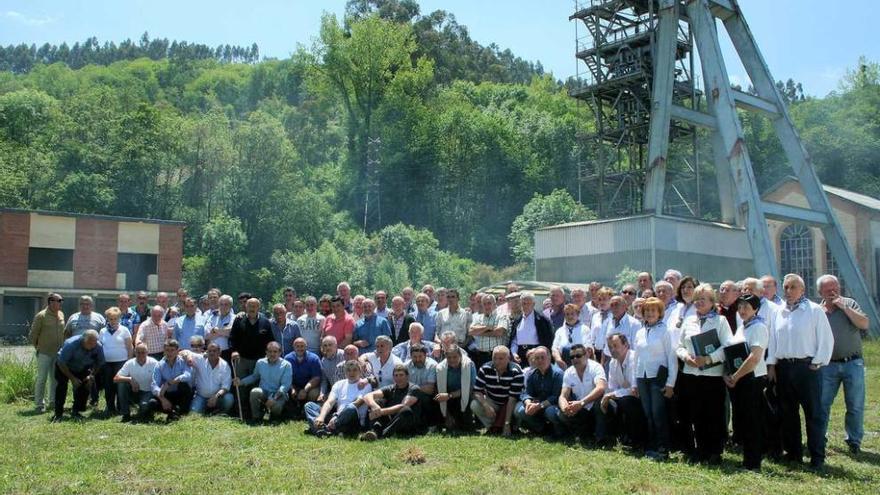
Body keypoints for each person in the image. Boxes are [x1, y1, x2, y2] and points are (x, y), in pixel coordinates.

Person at [766, 274, 834, 471]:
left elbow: (826, 338)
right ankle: (794, 454)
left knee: (813, 414)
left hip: (807, 368)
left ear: (802, 290)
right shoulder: (779, 312)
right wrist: (772, 365)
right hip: (784, 368)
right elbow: (773, 340)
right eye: (786, 287)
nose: (788, 291)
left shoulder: (813, 310)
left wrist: (818, 362)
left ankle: (817, 457)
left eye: (793, 287)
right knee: (788, 413)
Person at [675, 284, 732, 464]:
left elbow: (728, 346)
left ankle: (715, 451)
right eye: (697, 299)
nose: (699, 302)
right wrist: (686, 357)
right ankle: (699, 450)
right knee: (695, 413)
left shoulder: (720, 321)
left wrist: (709, 358)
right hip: (690, 373)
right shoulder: (688, 320)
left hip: (712, 375)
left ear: (712, 302)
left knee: (713, 414)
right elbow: (678, 346)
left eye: (703, 299)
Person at [817, 274, 868, 455]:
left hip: (852, 363)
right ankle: (819, 438)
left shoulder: (849, 303)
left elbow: (864, 323)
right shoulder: (817, 311)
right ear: (820, 292)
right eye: (828, 289)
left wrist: (844, 307)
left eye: (835, 288)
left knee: (854, 404)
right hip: (827, 365)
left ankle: (854, 440)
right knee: (822, 404)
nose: (833, 292)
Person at [724, 294, 769, 471]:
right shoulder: (743, 326)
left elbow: (754, 357)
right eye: (740, 307)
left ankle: (753, 462)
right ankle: (747, 458)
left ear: (756, 309)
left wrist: (735, 376)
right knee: (743, 420)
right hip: (740, 379)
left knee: (752, 422)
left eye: (746, 307)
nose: (742, 310)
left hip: (751, 379)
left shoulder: (758, 327)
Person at [634, 297, 678, 460]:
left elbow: (671, 358)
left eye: (653, 310)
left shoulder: (665, 331)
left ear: (659, 313)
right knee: (648, 414)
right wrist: (634, 382)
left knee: (658, 413)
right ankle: (651, 446)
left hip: (657, 378)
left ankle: (662, 449)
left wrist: (670, 383)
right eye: (647, 310)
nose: (650, 313)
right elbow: (636, 358)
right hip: (642, 377)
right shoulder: (640, 332)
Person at [306, 360, 373, 437]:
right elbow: (329, 402)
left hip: (354, 419)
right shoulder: (338, 384)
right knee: (309, 406)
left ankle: (321, 429)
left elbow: (357, 403)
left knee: (351, 408)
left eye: (355, 370)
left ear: (360, 372)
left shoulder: (366, 385)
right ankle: (322, 429)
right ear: (345, 372)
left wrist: (336, 416)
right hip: (337, 418)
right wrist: (321, 417)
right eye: (348, 370)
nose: (351, 373)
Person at [556, 344, 608, 442]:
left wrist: (581, 403)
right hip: (581, 408)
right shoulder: (568, 372)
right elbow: (563, 396)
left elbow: (601, 388)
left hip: (594, 405)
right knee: (561, 414)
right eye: (572, 357)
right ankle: (582, 434)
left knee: (600, 403)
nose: (575, 359)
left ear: (586, 355)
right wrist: (565, 408)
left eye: (578, 356)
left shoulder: (596, 367)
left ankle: (600, 438)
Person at [601, 334, 645, 447]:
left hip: (640, 400)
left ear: (626, 345)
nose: (612, 350)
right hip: (623, 398)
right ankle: (616, 438)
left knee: (625, 401)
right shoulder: (612, 362)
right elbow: (612, 387)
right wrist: (610, 396)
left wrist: (612, 394)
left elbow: (634, 391)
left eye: (615, 346)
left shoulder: (634, 358)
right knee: (608, 403)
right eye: (610, 347)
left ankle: (636, 440)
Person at [52, 330, 105, 422]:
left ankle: (76, 411)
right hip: (65, 366)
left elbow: (100, 363)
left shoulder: (98, 346)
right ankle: (58, 414)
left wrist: (91, 376)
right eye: (89, 343)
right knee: (61, 387)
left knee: (85, 385)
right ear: (83, 340)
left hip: (82, 367)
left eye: (94, 343)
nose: (92, 345)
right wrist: (72, 378)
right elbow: (61, 362)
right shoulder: (71, 344)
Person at [359, 364, 422, 440]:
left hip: (408, 423)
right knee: (377, 402)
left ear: (407, 376)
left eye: (401, 375)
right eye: (396, 375)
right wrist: (374, 406)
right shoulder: (391, 388)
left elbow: (402, 406)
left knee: (406, 410)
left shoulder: (414, 388)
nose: (398, 378)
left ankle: (381, 435)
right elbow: (368, 396)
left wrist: (380, 412)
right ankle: (374, 431)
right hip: (392, 421)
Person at [471, 346, 523, 436]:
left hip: (510, 403)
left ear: (508, 359)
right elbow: (477, 391)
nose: (497, 361)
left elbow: (512, 399)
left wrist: (507, 423)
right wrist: (486, 405)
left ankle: (512, 426)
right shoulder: (485, 368)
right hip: (493, 401)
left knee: (519, 410)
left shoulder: (516, 371)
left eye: (501, 358)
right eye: (494, 358)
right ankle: (492, 427)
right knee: (474, 405)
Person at [236, 342, 293, 422]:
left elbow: (285, 385)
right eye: (270, 351)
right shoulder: (260, 362)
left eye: (275, 351)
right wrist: (241, 382)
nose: (272, 354)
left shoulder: (287, 365)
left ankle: (273, 416)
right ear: (266, 352)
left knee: (276, 408)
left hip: (278, 395)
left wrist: (274, 398)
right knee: (255, 391)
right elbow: (254, 376)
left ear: (280, 353)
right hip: (264, 393)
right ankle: (256, 417)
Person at [514, 346, 564, 437]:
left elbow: (556, 397)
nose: (540, 360)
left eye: (542, 357)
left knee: (550, 412)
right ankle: (541, 428)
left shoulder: (558, 374)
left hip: (553, 405)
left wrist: (540, 406)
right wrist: (528, 403)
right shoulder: (531, 374)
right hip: (537, 404)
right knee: (520, 410)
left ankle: (559, 430)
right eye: (537, 358)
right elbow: (526, 393)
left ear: (549, 358)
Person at [29, 293, 65, 413]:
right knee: (42, 378)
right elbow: (33, 335)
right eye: (56, 301)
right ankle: (39, 404)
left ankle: (53, 402)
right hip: (44, 353)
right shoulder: (41, 316)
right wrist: (38, 348)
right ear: (50, 302)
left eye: (60, 301)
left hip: (58, 353)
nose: (59, 303)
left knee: (54, 379)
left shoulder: (61, 314)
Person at [229, 298, 275, 386]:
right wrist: (234, 351)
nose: (252, 308)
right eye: (249, 306)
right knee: (240, 384)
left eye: (254, 306)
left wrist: (268, 354)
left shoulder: (265, 321)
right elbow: (232, 338)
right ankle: (241, 400)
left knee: (256, 384)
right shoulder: (239, 320)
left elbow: (270, 340)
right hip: (241, 359)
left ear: (259, 308)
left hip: (259, 359)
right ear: (246, 307)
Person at [99, 306, 134, 416]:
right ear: (107, 319)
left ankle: (121, 407)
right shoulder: (102, 331)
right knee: (108, 385)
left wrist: (129, 362)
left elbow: (130, 347)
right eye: (110, 318)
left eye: (115, 318)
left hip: (121, 362)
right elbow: (100, 347)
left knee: (120, 385)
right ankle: (110, 407)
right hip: (106, 363)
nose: (113, 321)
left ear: (119, 318)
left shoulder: (124, 330)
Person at [149, 339, 193, 421]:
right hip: (166, 394)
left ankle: (176, 411)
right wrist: (162, 399)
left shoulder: (183, 361)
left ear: (177, 351)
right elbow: (154, 385)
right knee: (152, 403)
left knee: (184, 386)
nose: (169, 353)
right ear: (164, 351)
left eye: (172, 350)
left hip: (179, 393)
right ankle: (173, 412)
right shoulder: (159, 365)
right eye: (167, 350)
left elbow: (188, 375)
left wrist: (172, 381)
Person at [114, 343, 159, 422]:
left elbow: (160, 380)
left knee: (144, 407)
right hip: (134, 392)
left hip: (148, 392)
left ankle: (147, 410)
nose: (140, 354)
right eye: (138, 352)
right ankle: (125, 414)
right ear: (135, 352)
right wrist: (130, 379)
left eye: (143, 352)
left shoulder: (154, 363)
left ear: (147, 352)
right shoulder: (130, 363)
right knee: (121, 384)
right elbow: (116, 378)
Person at [435, 344, 475, 432]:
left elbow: (470, 389)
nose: (452, 360)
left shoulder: (469, 365)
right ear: (445, 357)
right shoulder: (440, 368)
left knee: (466, 428)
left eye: (455, 357)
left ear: (460, 356)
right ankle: (444, 421)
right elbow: (439, 390)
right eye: (449, 357)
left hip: (464, 395)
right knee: (435, 398)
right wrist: (447, 415)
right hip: (447, 396)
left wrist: (450, 395)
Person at [187, 341, 234, 416]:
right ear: (206, 352)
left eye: (214, 351)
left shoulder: (225, 365)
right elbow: (184, 352)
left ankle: (220, 413)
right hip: (201, 396)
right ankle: (207, 410)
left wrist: (216, 397)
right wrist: (189, 357)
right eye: (210, 351)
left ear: (219, 352)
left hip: (218, 397)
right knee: (193, 414)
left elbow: (226, 386)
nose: (212, 353)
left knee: (229, 398)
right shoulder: (200, 359)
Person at [509, 292, 554, 365]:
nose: (526, 306)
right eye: (523, 303)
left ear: (533, 304)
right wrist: (514, 353)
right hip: (520, 355)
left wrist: (536, 351)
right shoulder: (517, 320)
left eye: (528, 303)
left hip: (537, 355)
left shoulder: (542, 320)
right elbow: (514, 340)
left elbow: (548, 341)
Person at [469, 294, 510, 368]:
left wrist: (480, 332)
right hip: (480, 356)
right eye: (484, 304)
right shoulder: (478, 318)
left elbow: (499, 332)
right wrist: (487, 327)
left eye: (489, 303)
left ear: (495, 304)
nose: (487, 306)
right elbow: (471, 331)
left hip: (497, 356)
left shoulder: (502, 316)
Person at [284, 337, 322, 416]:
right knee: (285, 391)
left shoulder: (314, 358)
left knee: (314, 393)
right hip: (293, 385)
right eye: (297, 346)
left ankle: (307, 411)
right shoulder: (287, 358)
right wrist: (292, 388)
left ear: (306, 346)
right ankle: (291, 411)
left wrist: (305, 389)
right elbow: (286, 377)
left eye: (302, 346)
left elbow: (316, 378)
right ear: (293, 347)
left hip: (309, 386)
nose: (300, 348)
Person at [406, 344, 440, 429]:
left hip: (427, 396)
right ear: (411, 356)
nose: (417, 359)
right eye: (414, 357)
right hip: (410, 394)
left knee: (424, 398)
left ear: (426, 355)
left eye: (420, 356)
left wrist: (413, 390)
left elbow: (430, 389)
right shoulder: (406, 366)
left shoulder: (432, 365)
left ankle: (432, 425)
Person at [601, 296, 641, 363]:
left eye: (616, 304)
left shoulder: (635, 324)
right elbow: (604, 346)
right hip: (609, 360)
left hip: (628, 361)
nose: (614, 307)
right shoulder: (607, 322)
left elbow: (636, 348)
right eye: (612, 305)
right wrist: (602, 363)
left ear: (625, 307)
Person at [551, 303, 590, 369]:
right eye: (567, 314)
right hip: (562, 363)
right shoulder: (559, 331)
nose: (570, 316)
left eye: (572, 314)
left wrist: (579, 362)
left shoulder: (585, 329)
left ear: (577, 315)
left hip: (580, 362)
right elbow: (555, 348)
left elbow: (588, 348)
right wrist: (559, 360)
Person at [206, 295, 235, 363]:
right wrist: (223, 332)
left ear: (230, 306)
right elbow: (206, 334)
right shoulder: (212, 317)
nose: (223, 307)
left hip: (226, 353)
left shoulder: (234, 318)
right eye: (221, 304)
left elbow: (230, 332)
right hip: (212, 352)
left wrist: (215, 330)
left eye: (226, 304)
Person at [588, 287, 614, 362]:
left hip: (609, 354)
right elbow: (592, 336)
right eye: (599, 299)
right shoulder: (595, 316)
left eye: (605, 299)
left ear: (611, 300)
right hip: (597, 353)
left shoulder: (615, 316)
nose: (602, 302)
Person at [317, 336, 345, 402]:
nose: (327, 347)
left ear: (336, 345)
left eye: (330, 345)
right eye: (325, 345)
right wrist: (322, 393)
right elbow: (324, 380)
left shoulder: (343, 355)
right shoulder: (323, 361)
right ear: (322, 348)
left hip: (345, 388)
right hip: (334, 390)